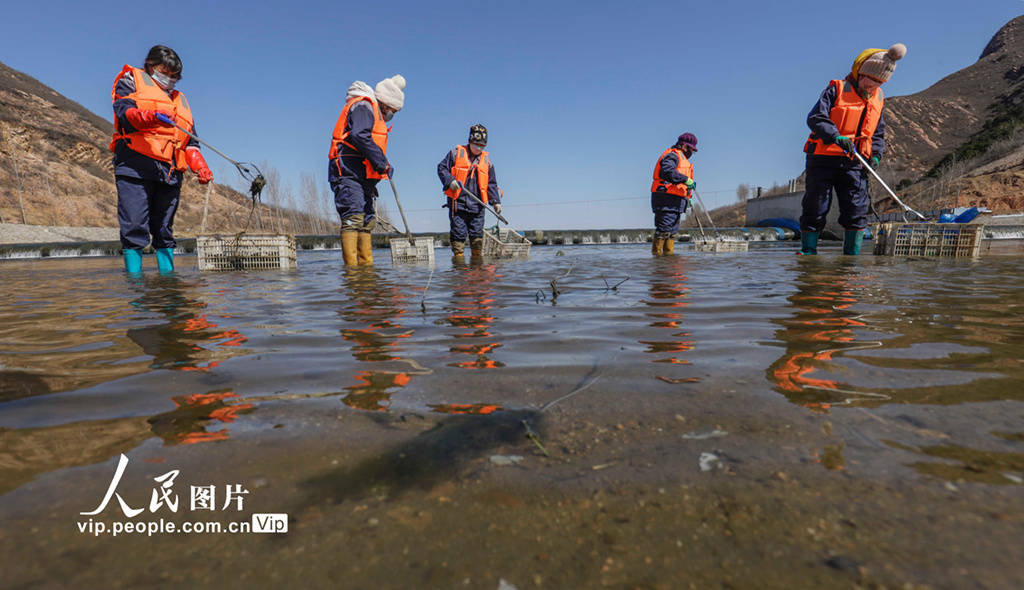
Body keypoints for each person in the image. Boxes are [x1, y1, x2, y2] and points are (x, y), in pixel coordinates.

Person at [110, 45, 212, 273]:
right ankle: (135, 286)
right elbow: (123, 112)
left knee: (164, 228)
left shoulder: (180, 100)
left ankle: (168, 283)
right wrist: (148, 116)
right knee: (134, 225)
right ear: (151, 66)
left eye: (175, 76)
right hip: (135, 167)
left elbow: (190, 142)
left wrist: (200, 165)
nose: (170, 79)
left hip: (170, 173)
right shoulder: (130, 81)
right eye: (166, 72)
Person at [799, 43, 906, 255]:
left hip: (855, 162)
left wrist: (875, 155)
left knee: (856, 209)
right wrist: (835, 136)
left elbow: (877, 132)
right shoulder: (836, 89)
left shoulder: (878, 99)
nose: (873, 86)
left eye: (879, 82)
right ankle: (808, 253)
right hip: (823, 158)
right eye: (871, 79)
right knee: (816, 205)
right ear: (860, 72)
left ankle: (850, 260)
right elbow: (815, 118)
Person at [328, 75, 406, 266]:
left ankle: (367, 275)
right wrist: (381, 162)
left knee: (367, 221)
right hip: (346, 170)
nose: (390, 116)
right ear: (386, 104)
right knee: (354, 217)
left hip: (361, 175)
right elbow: (360, 136)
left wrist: (377, 175)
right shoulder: (363, 106)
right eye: (392, 111)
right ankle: (353, 277)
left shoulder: (372, 110)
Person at [437, 124, 501, 260]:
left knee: (477, 237)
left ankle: (476, 267)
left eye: (482, 146)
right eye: (476, 144)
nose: (479, 148)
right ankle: (459, 267)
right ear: (470, 141)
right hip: (458, 205)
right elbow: (441, 168)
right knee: (458, 235)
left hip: (478, 207)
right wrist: (450, 181)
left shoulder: (487, 162)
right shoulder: (455, 153)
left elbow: (491, 184)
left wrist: (496, 202)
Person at [650, 133, 698, 255]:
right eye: (692, 149)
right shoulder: (673, 155)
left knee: (672, 232)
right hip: (666, 199)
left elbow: (681, 183)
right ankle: (658, 261)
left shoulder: (683, 159)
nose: (692, 152)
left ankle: (668, 261)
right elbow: (666, 171)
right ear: (684, 146)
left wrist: (688, 197)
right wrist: (685, 179)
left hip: (677, 201)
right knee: (663, 230)